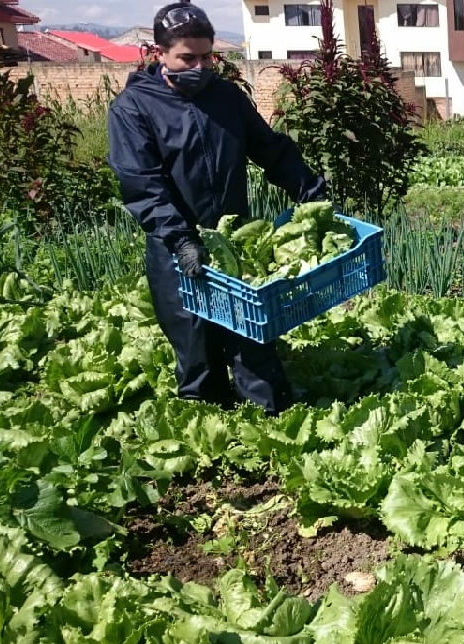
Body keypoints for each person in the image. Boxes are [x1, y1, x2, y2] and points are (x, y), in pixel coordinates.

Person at [108, 2, 329, 415]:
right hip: (176, 250)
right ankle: (209, 427)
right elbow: (142, 184)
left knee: (253, 341)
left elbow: (269, 148)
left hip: (234, 244)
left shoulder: (226, 97)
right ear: (160, 53)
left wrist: (310, 190)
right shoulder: (134, 108)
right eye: (187, 58)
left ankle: (270, 422)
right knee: (197, 349)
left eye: (207, 57)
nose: (199, 67)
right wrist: (181, 240)